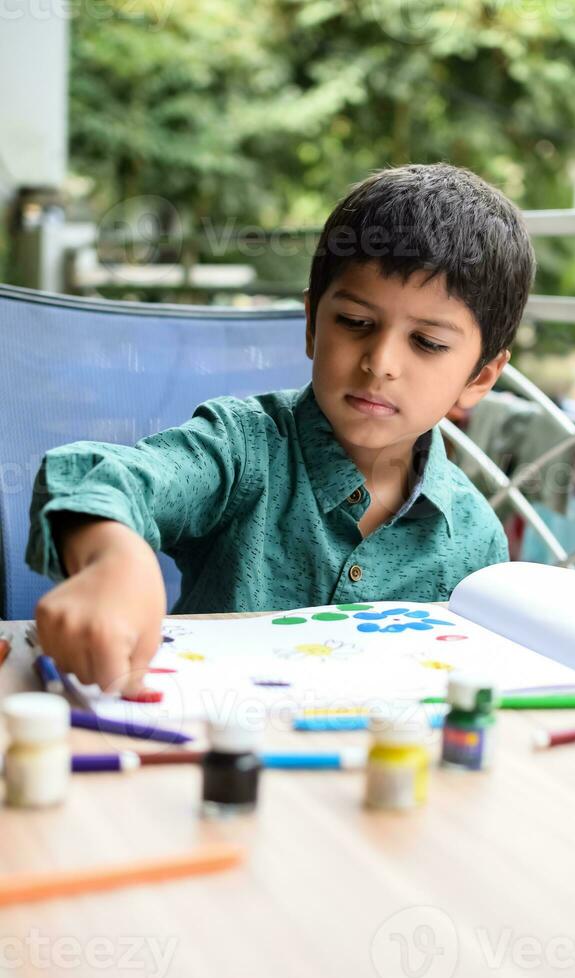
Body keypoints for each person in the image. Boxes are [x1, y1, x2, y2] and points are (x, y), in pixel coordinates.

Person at [26, 163, 535, 692]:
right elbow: (100, 476)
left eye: (427, 343)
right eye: (356, 324)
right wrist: (113, 553)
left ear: (479, 377)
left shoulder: (477, 540)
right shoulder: (241, 448)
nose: (380, 361)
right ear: (313, 324)